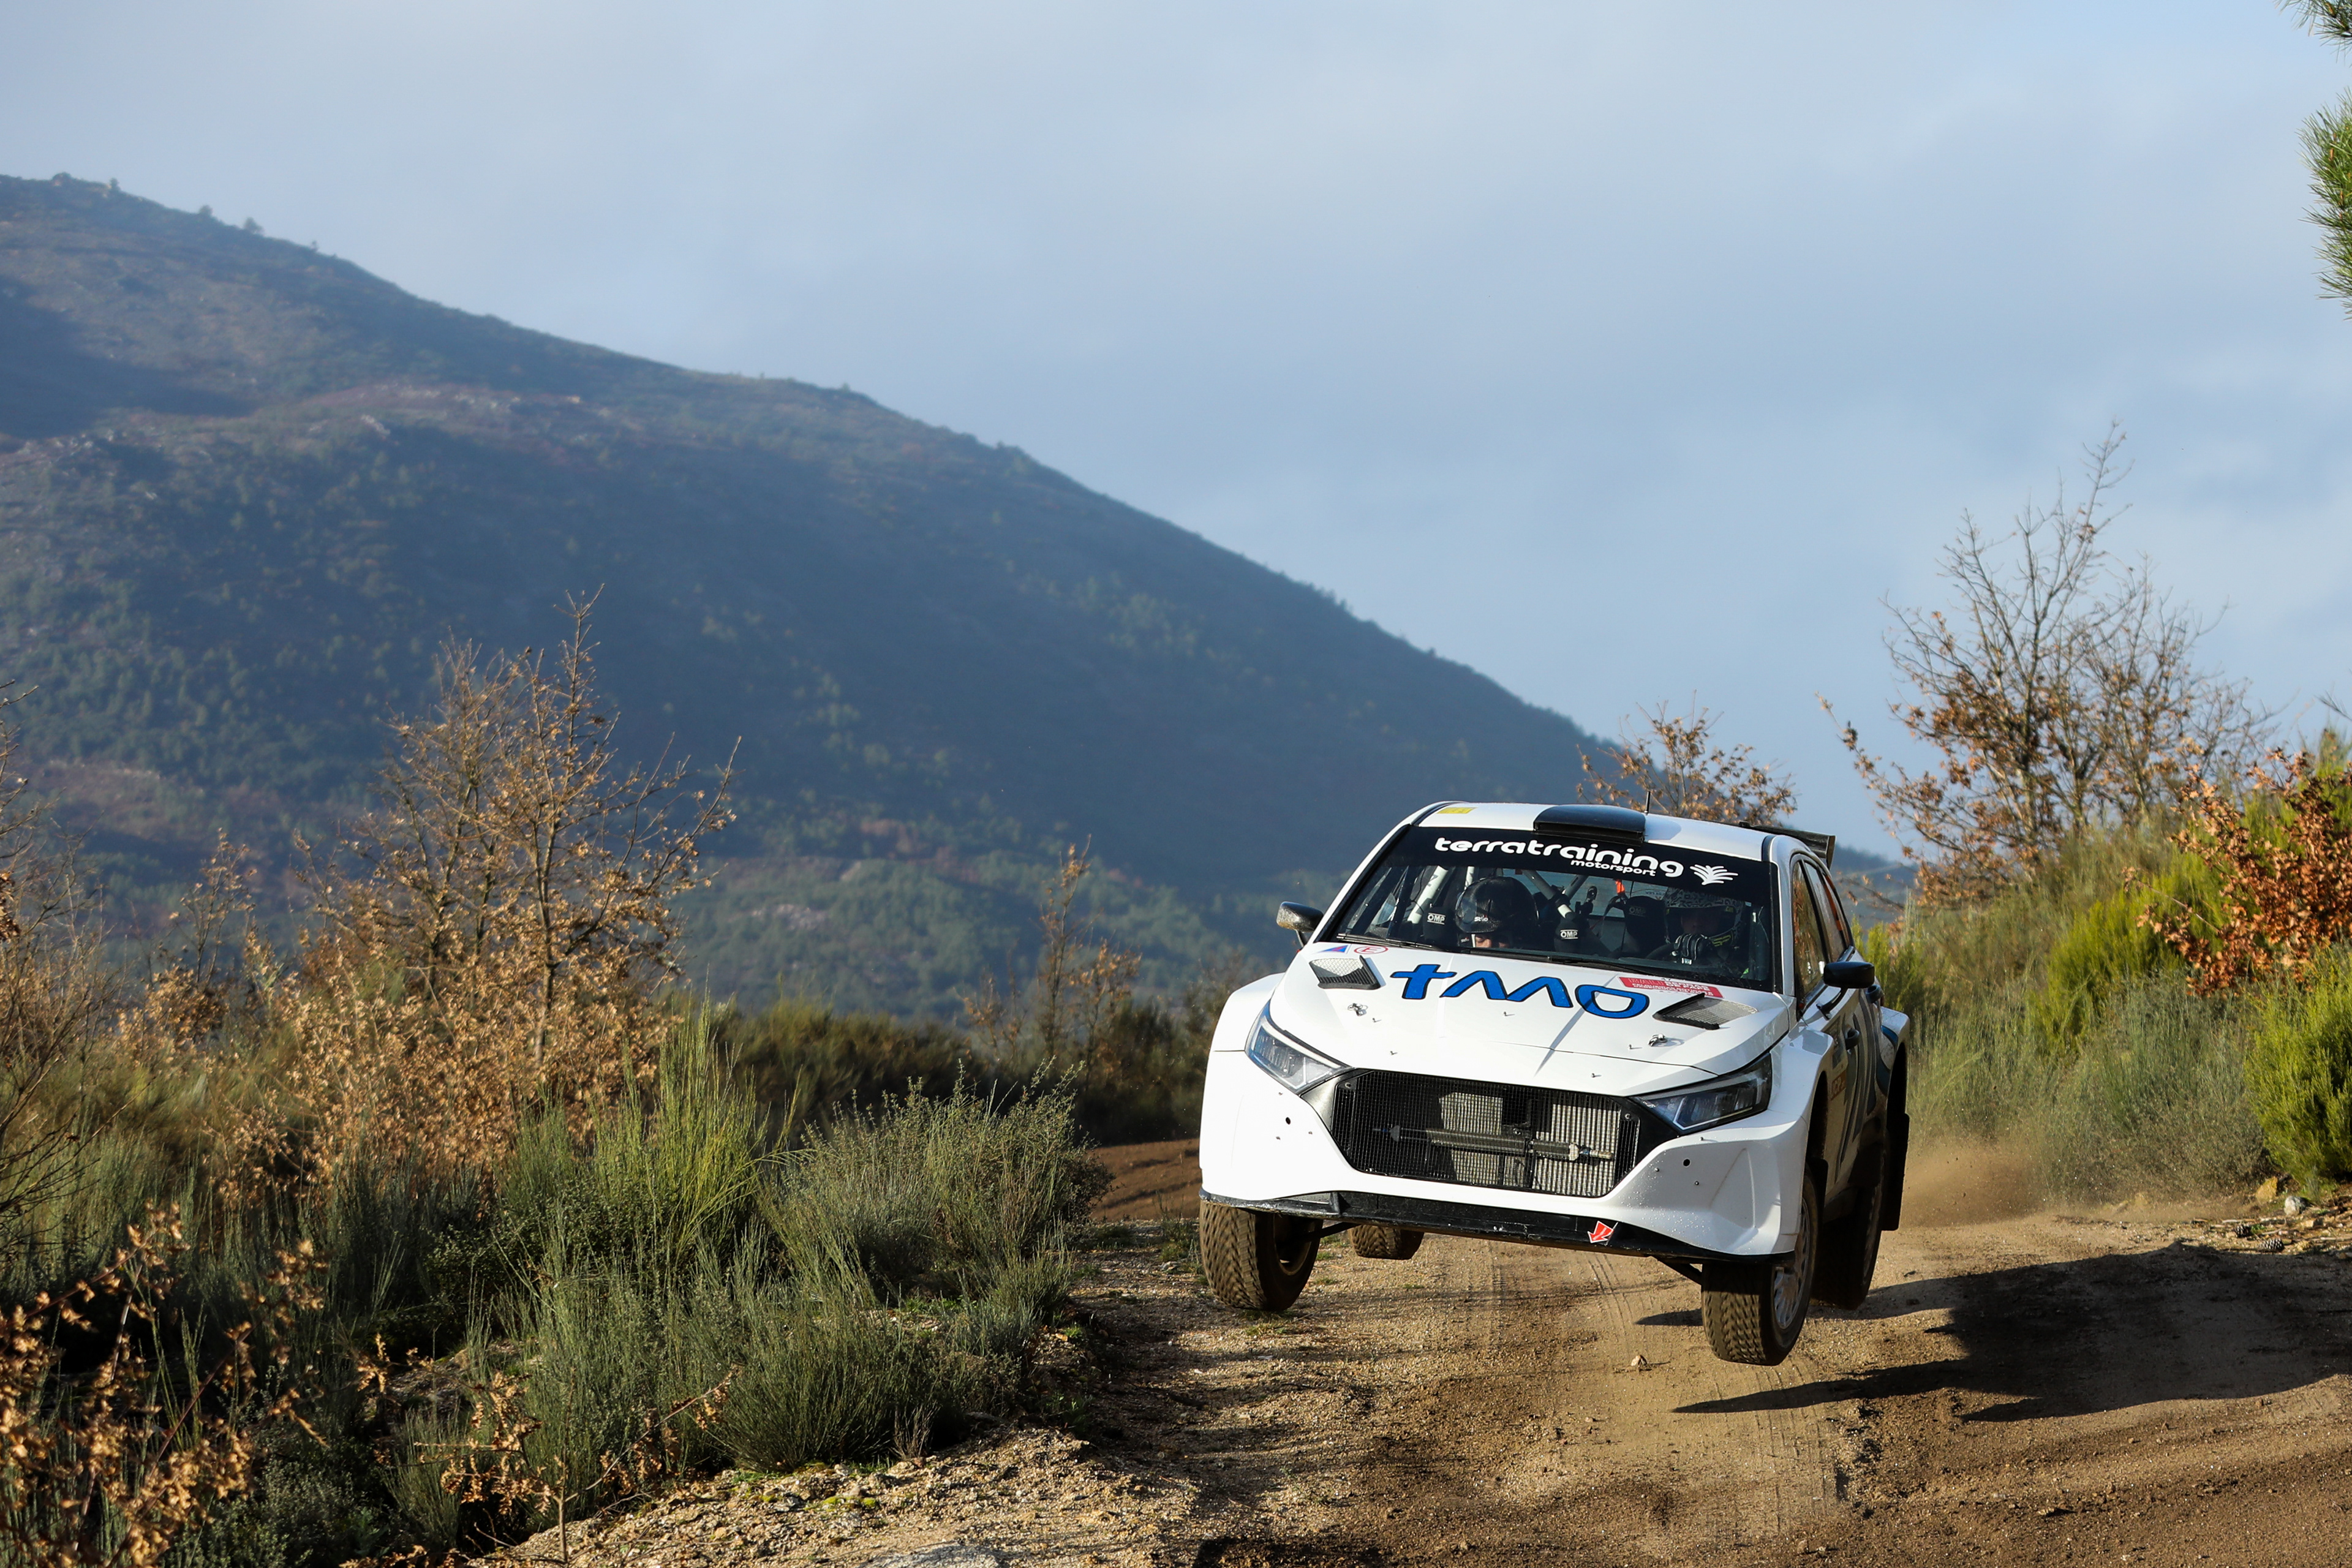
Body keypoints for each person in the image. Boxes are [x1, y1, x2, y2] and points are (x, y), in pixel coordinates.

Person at [1656, 890, 1744, 971]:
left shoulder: (1750, 968)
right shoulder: (1658, 960)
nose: (1697, 923)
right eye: (1689, 914)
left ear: (1724, 919)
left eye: (1709, 914)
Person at [1455, 874, 1543, 951]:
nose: (1488, 946)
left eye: (1500, 939)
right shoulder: (1454, 962)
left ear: (1519, 940)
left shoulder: (1539, 967)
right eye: (1481, 939)